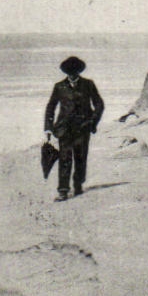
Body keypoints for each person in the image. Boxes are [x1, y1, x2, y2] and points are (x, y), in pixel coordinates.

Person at [44, 55, 105, 202]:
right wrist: (48, 128)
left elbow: (99, 104)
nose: (72, 75)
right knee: (64, 158)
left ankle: (78, 184)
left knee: (80, 157)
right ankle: (63, 190)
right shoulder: (59, 87)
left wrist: (92, 122)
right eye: (69, 72)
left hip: (83, 129)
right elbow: (51, 107)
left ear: (79, 71)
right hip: (64, 129)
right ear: (66, 72)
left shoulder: (88, 84)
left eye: (74, 72)